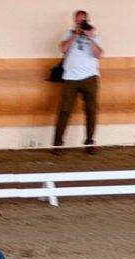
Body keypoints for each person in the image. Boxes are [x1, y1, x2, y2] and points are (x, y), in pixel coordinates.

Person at [52, 9, 103, 154]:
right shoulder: (69, 34)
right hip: (70, 78)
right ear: (75, 21)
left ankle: (89, 142)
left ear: (87, 21)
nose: (80, 22)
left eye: (83, 20)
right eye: (78, 20)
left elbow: (98, 55)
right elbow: (62, 48)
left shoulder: (94, 35)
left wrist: (90, 37)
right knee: (64, 110)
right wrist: (75, 34)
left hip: (90, 77)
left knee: (91, 110)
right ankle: (57, 144)